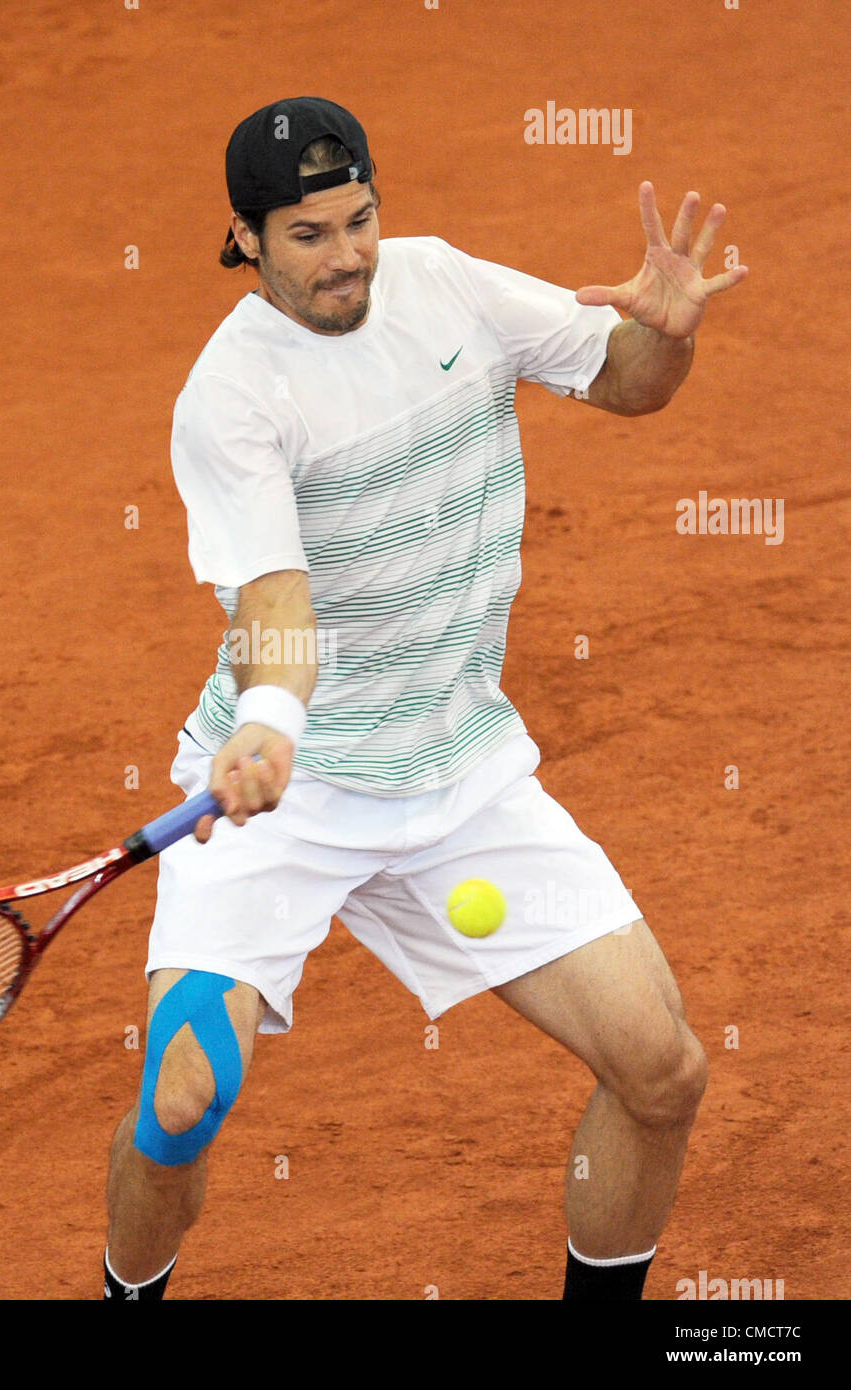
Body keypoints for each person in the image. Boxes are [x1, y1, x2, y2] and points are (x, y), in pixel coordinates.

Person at [103, 96, 747, 1301]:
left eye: (358, 219)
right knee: (181, 1099)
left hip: (458, 775)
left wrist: (666, 337)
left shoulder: (446, 285)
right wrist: (269, 728)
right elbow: (277, 608)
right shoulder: (231, 396)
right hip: (281, 791)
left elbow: (626, 383)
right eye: (306, 235)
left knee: (661, 1069)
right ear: (244, 239)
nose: (345, 254)